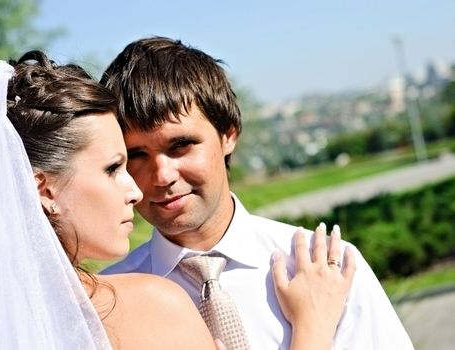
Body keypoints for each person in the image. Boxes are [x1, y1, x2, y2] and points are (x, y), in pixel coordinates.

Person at [0, 50, 354, 350]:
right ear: (44, 191)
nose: (137, 188)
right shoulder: (150, 306)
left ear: (228, 135)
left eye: (181, 146)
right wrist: (313, 329)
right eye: (117, 167)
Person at [101, 36, 414, 349]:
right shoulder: (107, 303)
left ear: (228, 135)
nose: (162, 176)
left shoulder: (331, 269)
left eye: (181, 145)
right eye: (137, 155)